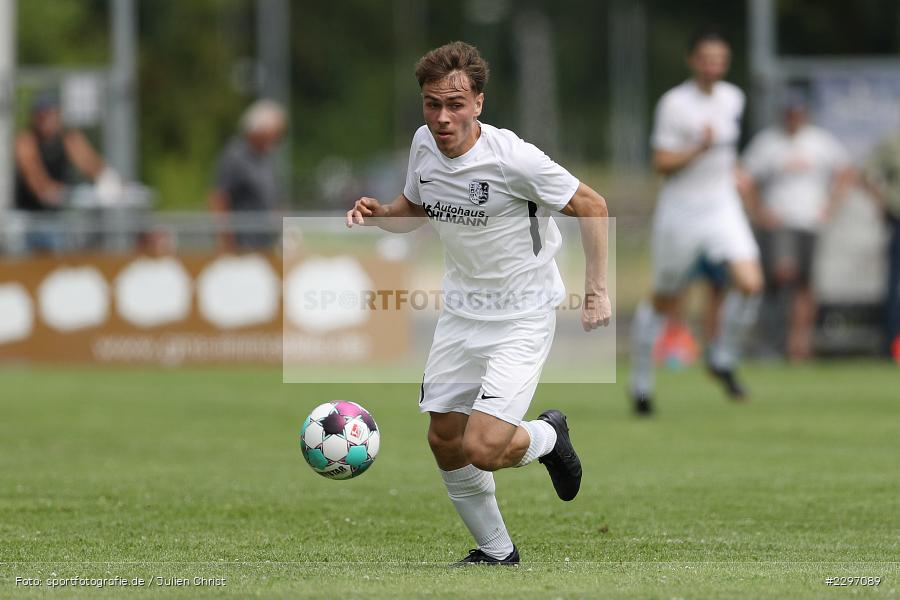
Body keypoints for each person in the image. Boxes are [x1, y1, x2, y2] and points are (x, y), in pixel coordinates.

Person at [346, 41, 611, 566]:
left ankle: (546, 435)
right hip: (462, 310)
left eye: (455, 104)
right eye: (431, 104)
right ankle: (496, 552)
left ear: (479, 104)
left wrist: (597, 289)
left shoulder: (514, 158)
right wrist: (381, 212)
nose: (442, 118)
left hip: (522, 311)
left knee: (484, 447)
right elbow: (417, 206)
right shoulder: (423, 144)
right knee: (445, 437)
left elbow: (592, 204)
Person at [629, 29, 763, 415]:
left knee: (751, 283)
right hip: (682, 211)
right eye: (706, 58)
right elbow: (661, 164)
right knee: (665, 298)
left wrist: (737, 175)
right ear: (692, 60)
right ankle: (641, 382)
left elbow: (726, 154)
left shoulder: (733, 98)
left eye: (720, 58)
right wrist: (697, 149)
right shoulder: (674, 104)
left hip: (722, 205)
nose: (713, 65)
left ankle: (721, 356)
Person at [741, 94, 852, 360]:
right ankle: (774, 341)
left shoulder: (819, 141)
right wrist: (758, 211)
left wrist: (831, 205)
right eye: (789, 112)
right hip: (780, 222)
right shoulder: (768, 142)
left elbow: (846, 171)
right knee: (783, 274)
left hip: (810, 222)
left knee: (805, 284)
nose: (793, 117)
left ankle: (799, 345)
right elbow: (744, 177)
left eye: (798, 112)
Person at [14, 92, 109, 253]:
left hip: (58, 217)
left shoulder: (68, 138)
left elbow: (90, 162)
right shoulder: (26, 141)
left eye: (49, 114)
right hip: (31, 218)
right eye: (41, 114)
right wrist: (53, 191)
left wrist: (108, 181)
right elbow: (35, 178)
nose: (45, 120)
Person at [208, 99, 287, 251]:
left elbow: (275, 201)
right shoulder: (234, 157)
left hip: (266, 247)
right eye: (274, 133)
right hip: (242, 248)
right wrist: (226, 243)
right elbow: (218, 199)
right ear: (258, 131)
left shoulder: (268, 159)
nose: (277, 139)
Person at [861, 130, 900, 358]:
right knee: (893, 285)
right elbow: (867, 173)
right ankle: (893, 345)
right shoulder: (894, 143)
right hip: (898, 220)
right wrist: (882, 200)